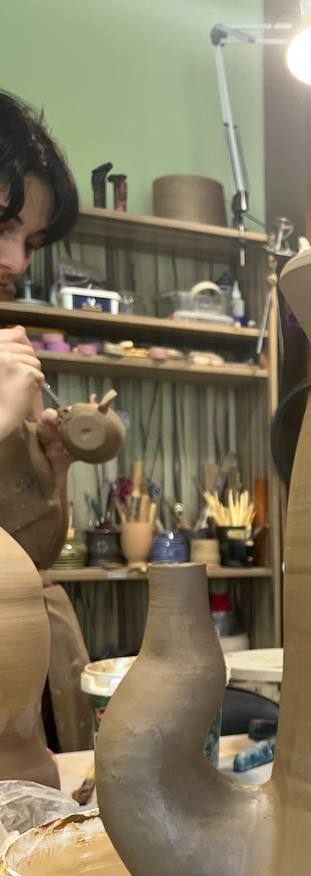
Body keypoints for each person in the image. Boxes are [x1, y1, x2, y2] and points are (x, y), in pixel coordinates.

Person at [0, 90, 93, 752]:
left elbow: (34, 555)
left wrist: (55, 469)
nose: (16, 262)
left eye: (28, 241)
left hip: (25, 680)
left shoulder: (12, 364)